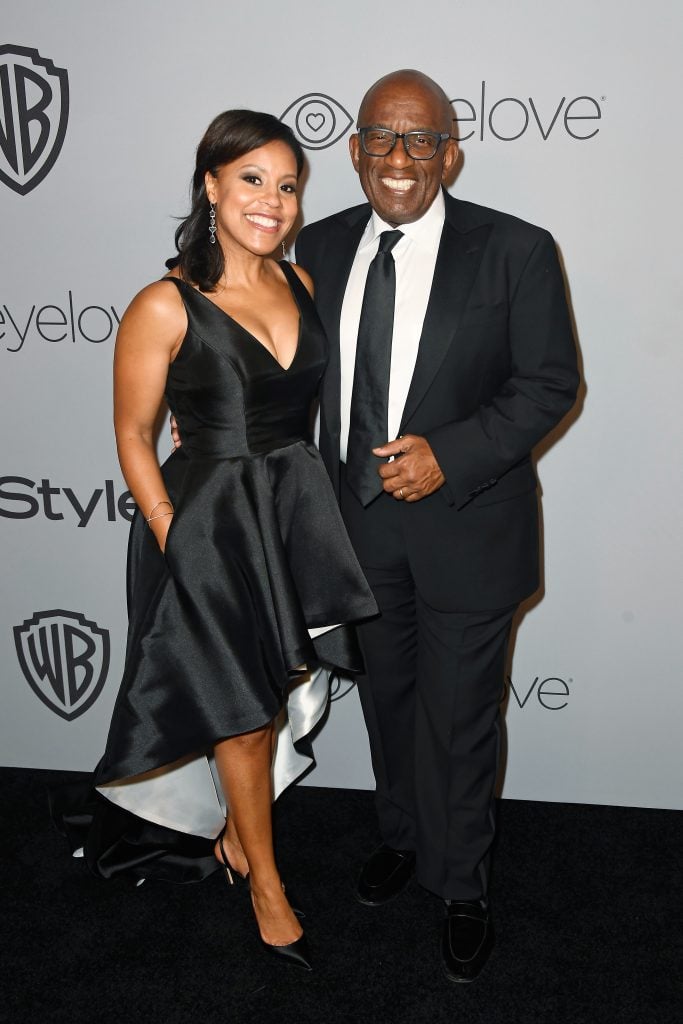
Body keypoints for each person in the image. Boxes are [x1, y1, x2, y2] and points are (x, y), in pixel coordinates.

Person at [53, 109, 377, 972]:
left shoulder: (302, 285)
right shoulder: (163, 303)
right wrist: (173, 539)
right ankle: (265, 883)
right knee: (237, 710)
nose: (272, 201)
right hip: (203, 524)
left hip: (288, 515)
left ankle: (241, 839)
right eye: (251, 180)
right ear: (209, 184)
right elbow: (132, 433)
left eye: (287, 184)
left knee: (266, 698)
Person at [294, 69, 579, 982]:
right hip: (355, 531)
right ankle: (404, 836)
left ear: (450, 152)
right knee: (387, 706)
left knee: (458, 720)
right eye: (382, 137)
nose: (400, 158)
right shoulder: (318, 246)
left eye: (420, 140)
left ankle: (461, 883)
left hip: (468, 529)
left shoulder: (517, 250)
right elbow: (287, 367)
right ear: (354, 151)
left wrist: (446, 454)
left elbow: (547, 383)